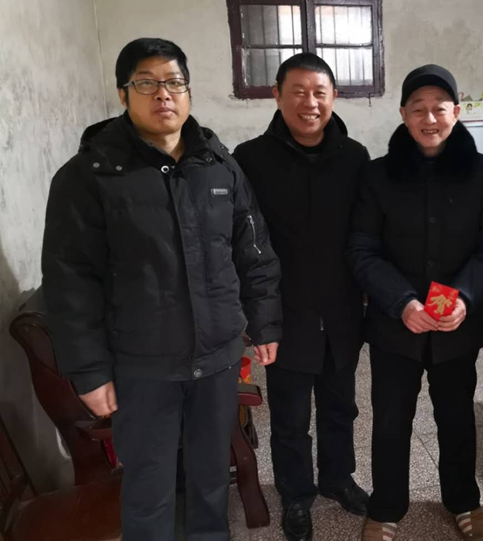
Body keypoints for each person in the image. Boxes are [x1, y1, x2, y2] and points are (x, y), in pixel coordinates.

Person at [41, 38, 283, 541]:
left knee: (210, 477)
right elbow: (70, 280)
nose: (163, 94)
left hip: (216, 358)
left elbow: (253, 248)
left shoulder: (218, 165)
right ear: (123, 94)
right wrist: (89, 371)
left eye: (174, 82)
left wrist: (265, 321)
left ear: (188, 91)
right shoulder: (89, 176)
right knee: (148, 485)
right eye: (146, 83)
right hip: (141, 365)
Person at [347, 65, 483, 541]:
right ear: (403, 114)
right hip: (394, 324)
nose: (429, 118)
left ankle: (463, 500)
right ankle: (386, 507)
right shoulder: (378, 175)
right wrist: (401, 302)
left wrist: (466, 298)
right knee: (390, 420)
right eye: (418, 108)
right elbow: (361, 249)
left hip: (457, 323)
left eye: (439, 108)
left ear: (456, 112)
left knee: (456, 417)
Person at [232, 53, 370, 541]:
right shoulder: (250, 159)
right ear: (276, 95)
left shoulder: (354, 158)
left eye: (319, 92)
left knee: (341, 406)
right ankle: (295, 495)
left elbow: (366, 235)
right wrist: (255, 317)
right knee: (290, 416)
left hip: (341, 310)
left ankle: (338, 478)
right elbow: (242, 242)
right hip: (284, 312)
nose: (309, 103)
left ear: (334, 97)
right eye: (297, 91)